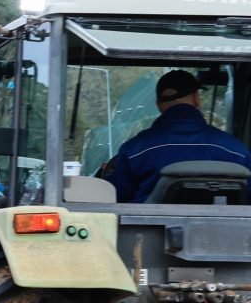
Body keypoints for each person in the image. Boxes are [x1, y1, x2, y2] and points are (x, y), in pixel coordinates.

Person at [106, 70, 251, 203]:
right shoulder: (237, 150)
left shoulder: (134, 150)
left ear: (159, 105)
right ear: (196, 98)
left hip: (148, 229)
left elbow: (116, 198)